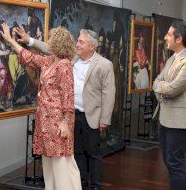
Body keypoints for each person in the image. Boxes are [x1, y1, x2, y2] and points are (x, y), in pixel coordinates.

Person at [17, 28, 116, 190]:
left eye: (81, 42)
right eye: (77, 40)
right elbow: (49, 48)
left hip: (91, 116)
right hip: (69, 116)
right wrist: (29, 41)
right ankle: (81, 184)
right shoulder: (71, 58)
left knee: (93, 154)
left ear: (92, 46)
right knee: (75, 153)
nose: (77, 44)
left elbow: (109, 93)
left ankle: (96, 187)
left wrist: (104, 119)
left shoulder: (105, 64)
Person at [1, 24, 81, 190]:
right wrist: (10, 40)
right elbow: (28, 56)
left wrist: (65, 122)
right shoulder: (49, 61)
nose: (48, 41)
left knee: (62, 164)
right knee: (49, 162)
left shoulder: (64, 65)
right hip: (45, 121)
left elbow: (68, 96)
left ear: (58, 43)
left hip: (58, 122)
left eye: (51, 38)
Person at [152, 20, 186, 190]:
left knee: (174, 164)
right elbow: (157, 81)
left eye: (168, 34)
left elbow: (173, 89)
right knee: (170, 163)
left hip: (180, 122)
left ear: (179, 38)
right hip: (166, 118)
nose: (165, 37)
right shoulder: (173, 57)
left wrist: (162, 88)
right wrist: (162, 89)